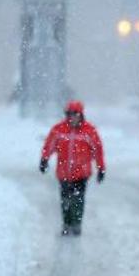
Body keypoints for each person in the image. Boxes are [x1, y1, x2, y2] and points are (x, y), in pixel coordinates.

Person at [39, 100, 105, 236]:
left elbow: (97, 150)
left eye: (75, 114)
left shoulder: (89, 131)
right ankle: (67, 223)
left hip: (82, 174)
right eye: (69, 114)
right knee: (65, 200)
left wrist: (101, 168)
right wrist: (44, 159)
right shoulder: (59, 129)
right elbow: (49, 145)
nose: (72, 117)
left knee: (78, 200)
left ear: (81, 115)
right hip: (63, 173)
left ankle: (77, 224)